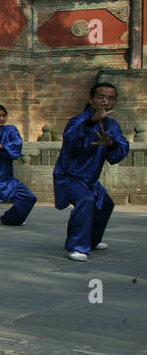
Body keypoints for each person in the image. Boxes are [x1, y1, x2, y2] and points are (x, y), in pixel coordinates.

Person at [54, 82, 129, 261]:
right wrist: (91, 122)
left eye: (111, 98)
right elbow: (70, 142)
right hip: (69, 176)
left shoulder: (112, 126)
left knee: (106, 204)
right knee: (85, 200)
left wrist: (112, 144)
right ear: (91, 99)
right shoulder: (78, 121)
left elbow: (119, 152)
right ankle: (77, 246)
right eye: (101, 97)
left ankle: (92, 240)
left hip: (90, 180)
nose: (106, 101)